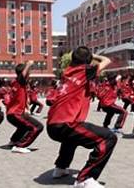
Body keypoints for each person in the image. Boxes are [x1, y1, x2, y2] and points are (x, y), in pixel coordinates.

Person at [46, 47, 115, 188]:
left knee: (71, 138)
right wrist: (94, 55)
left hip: (53, 125)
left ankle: (60, 168)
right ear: (88, 60)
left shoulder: (68, 72)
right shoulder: (85, 71)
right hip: (66, 122)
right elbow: (107, 60)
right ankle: (84, 179)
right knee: (108, 138)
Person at [4, 61, 44, 154]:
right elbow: (23, 75)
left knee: (24, 127)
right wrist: (29, 64)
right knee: (38, 127)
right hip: (16, 114)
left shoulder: (17, 83)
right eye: (28, 72)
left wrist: (27, 108)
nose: (29, 74)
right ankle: (20, 146)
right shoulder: (19, 82)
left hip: (12, 114)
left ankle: (13, 141)